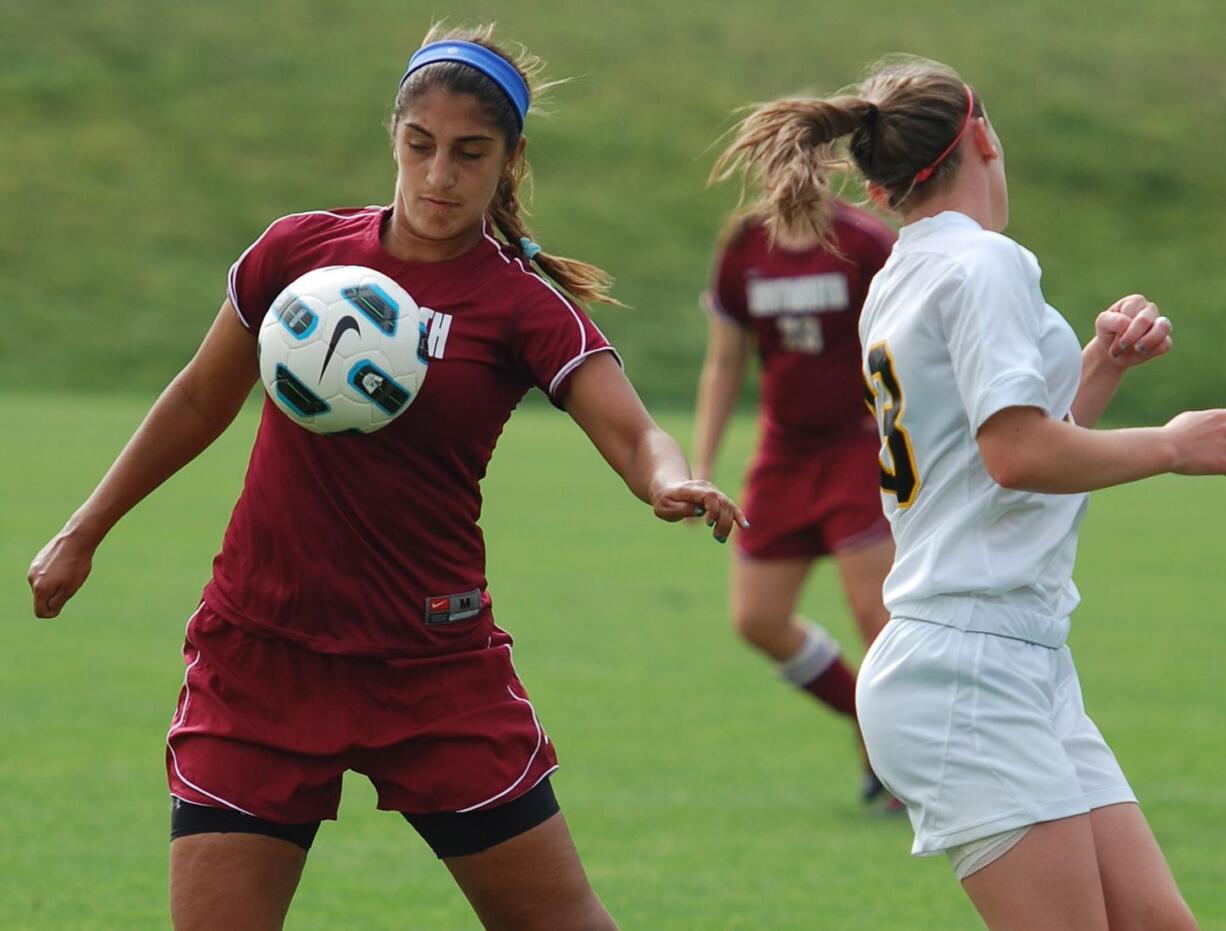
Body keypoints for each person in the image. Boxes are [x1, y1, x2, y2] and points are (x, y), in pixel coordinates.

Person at [27, 24, 746, 931]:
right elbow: (198, 400)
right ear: (393, 139)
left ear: (511, 160)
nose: (440, 175)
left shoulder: (522, 306)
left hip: (432, 667)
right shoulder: (298, 256)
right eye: (422, 147)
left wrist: (668, 483)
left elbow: (637, 430)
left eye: (469, 154)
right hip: (262, 656)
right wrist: (84, 529)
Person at [714, 56, 1222, 928]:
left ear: (879, 192)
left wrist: (1098, 366)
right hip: (968, 666)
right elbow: (1016, 456)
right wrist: (1173, 447)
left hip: (1016, 659)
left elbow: (990, 462)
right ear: (983, 135)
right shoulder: (984, 265)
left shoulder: (905, 274)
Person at [691, 182, 897, 805]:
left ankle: (908, 769)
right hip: (784, 455)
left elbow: (909, 350)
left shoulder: (864, 243)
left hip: (859, 450)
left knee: (878, 621)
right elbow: (726, 362)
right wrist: (699, 466)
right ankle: (868, 718)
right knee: (757, 619)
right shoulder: (745, 247)